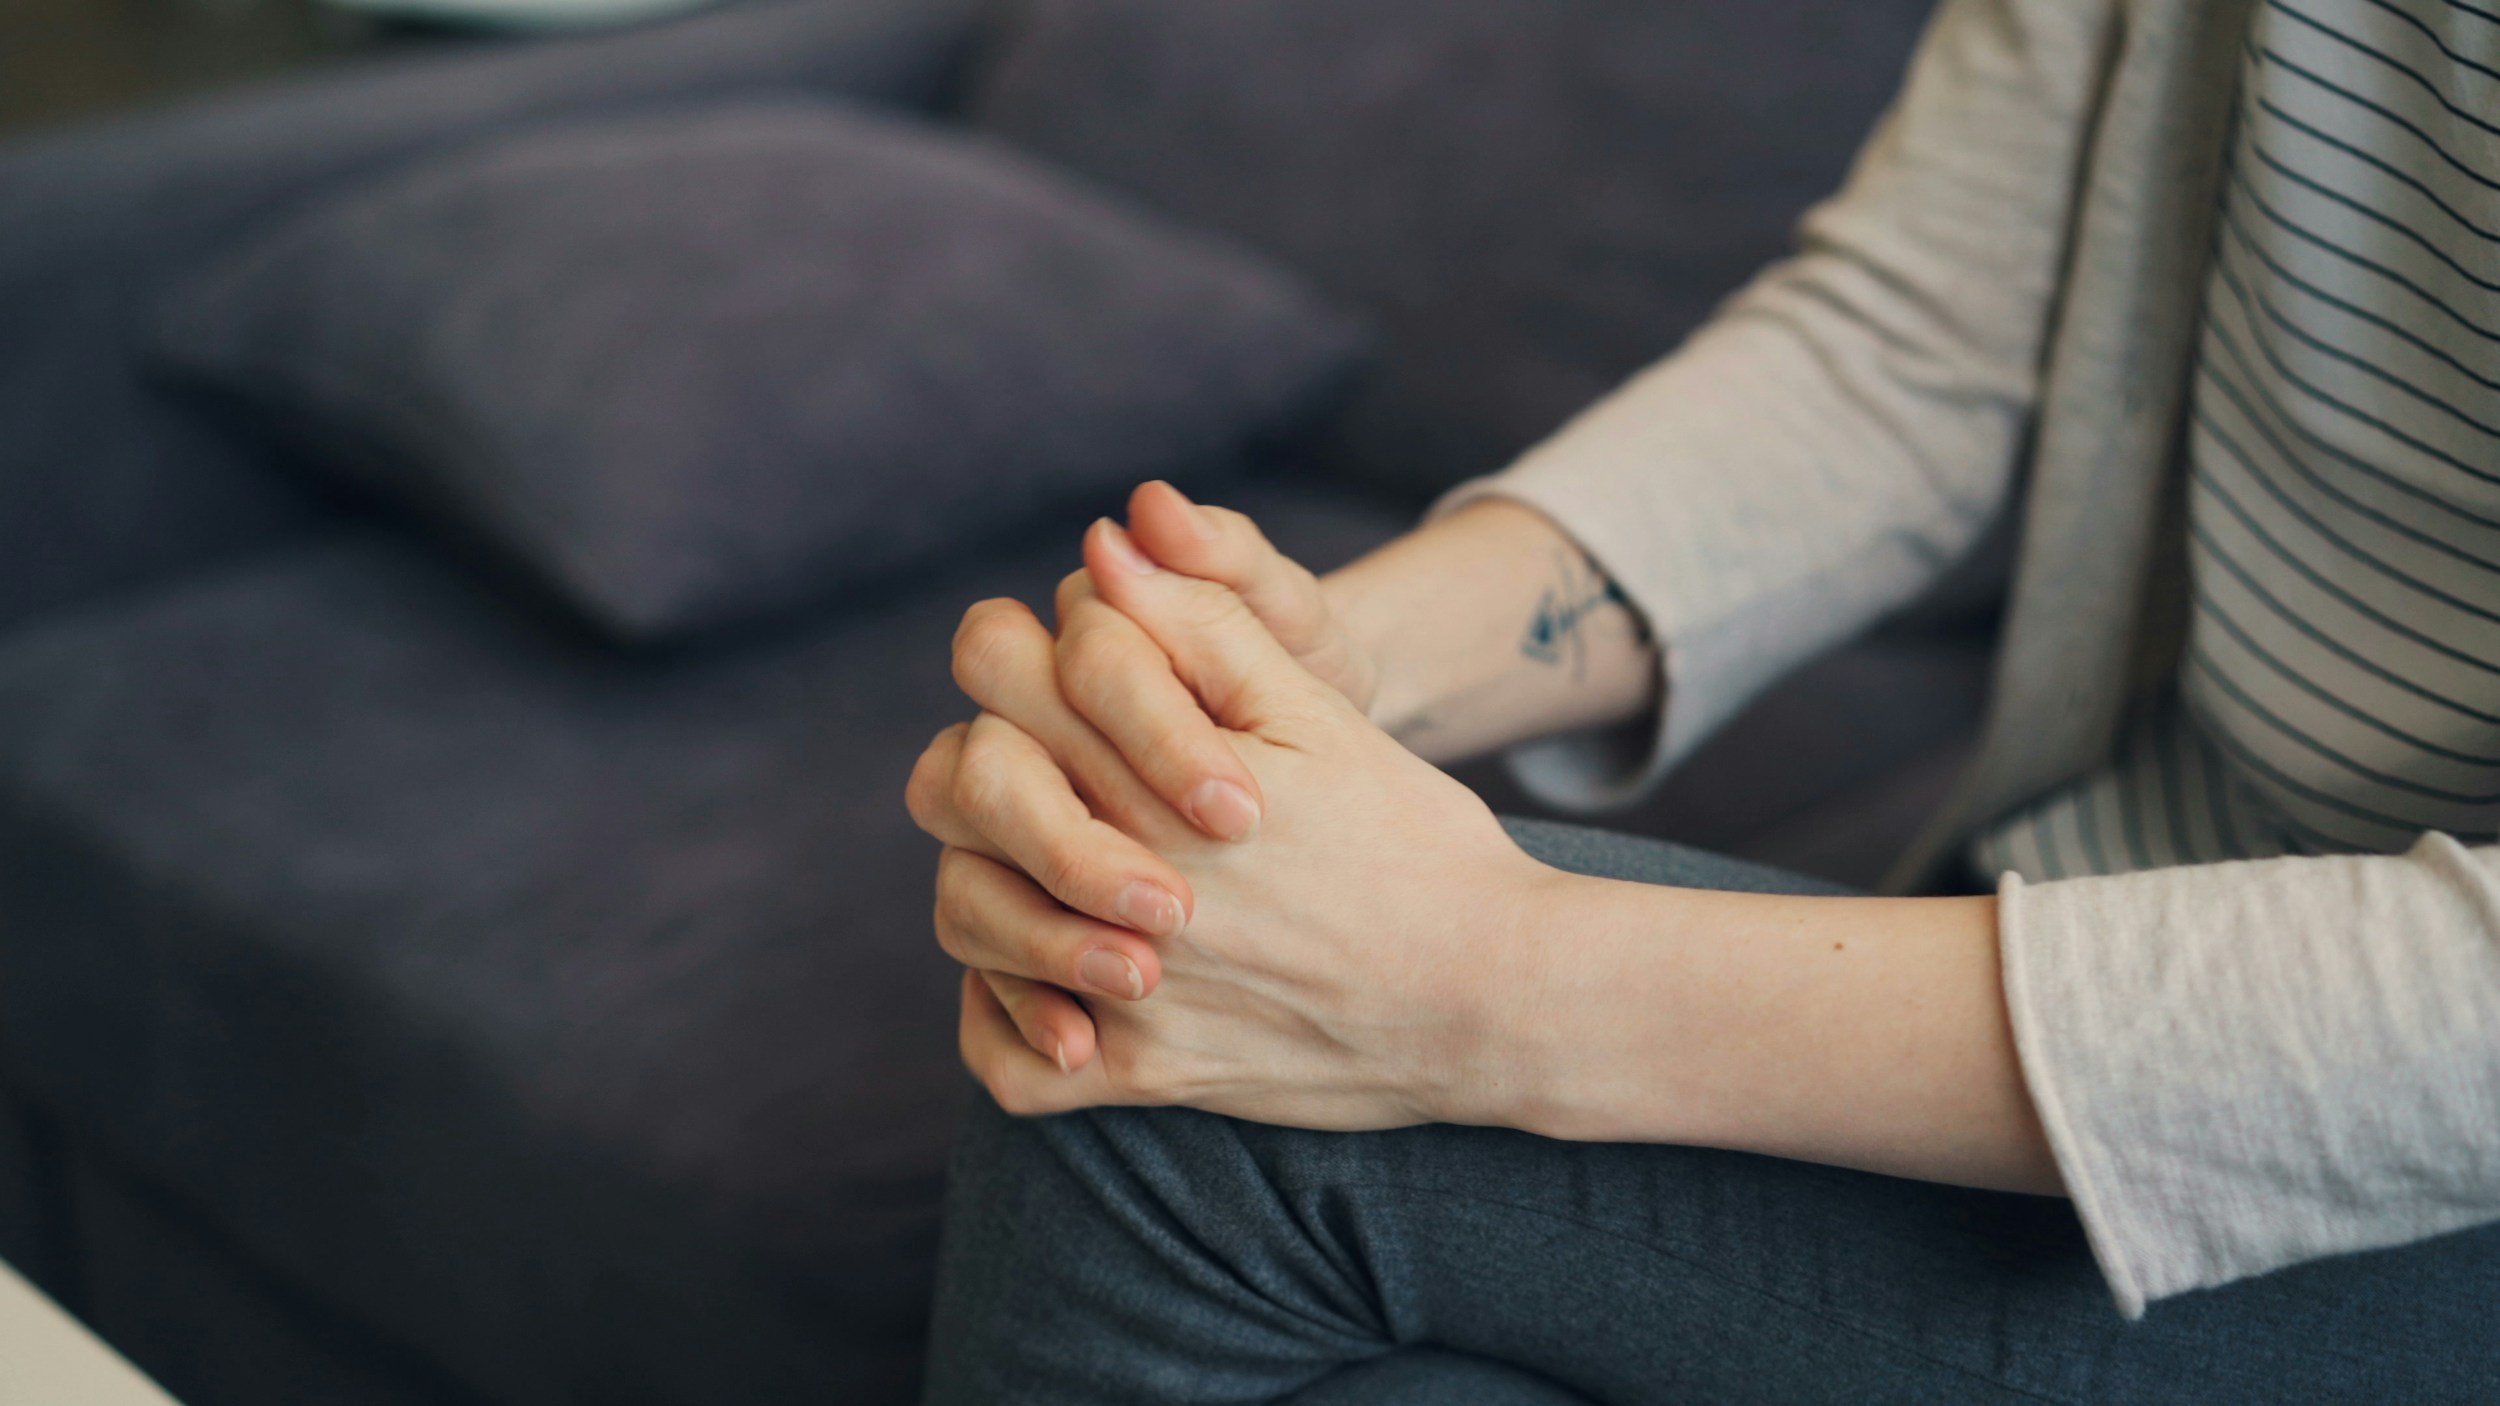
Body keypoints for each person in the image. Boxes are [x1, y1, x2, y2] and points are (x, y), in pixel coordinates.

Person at [904, 0, 2500, 1399]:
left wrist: (1490, 982)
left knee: (1183, 1115)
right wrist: (1321, 672)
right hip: (2119, 889)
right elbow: (1906, 354)